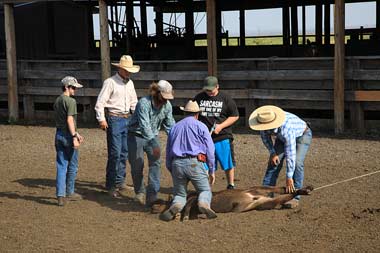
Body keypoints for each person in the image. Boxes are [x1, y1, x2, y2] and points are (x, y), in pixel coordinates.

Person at [160, 100, 217, 221]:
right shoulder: (201, 126)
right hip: (195, 162)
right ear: (197, 114)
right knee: (204, 190)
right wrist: (212, 170)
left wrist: (171, 167)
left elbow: (168, 149)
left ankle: (176, 205)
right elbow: (210, 150)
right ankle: (203, 204)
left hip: (177, 163)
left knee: (180, 194)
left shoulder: (175, 127)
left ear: (184, 113)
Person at [248, 105, 312, 209]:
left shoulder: (287, 128)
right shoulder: (264, 123)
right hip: (281, 138)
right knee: (273, 162)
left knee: (297, 163)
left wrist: (289, 177)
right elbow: (266, 139)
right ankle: (266, 194)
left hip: (302, 135)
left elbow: (290, 153)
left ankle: (295, 197)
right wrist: (273, 153)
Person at [94, 55, 139, 197]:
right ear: (119, 68)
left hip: (127, 118)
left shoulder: (129, 83)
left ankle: (120, 181)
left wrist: (136, 117)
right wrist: (101, 119)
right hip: (114, 118)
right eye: (126, 70)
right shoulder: (110, 82)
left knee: (124, 152)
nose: (128, 72)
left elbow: (134, 102)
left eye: (129, 70)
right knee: (115, 153)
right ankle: (112, 184)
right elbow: (100, 102)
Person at [127, 80, 175, 206]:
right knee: (137, 165)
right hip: (136, 135)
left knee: (156, 164)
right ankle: (140, 192)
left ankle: (152, 195)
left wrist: (176, 138)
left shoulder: (167, 106)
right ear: (156, 93)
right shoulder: (144, 103)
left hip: (153, 136)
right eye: (163, 97)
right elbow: (144, 125)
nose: (165, 100)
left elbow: (170, 125)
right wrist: (154, 143)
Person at [194, 76, 239, 189]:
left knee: (227, 162)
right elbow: (193, 113)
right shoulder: (199, 98)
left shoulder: (226, 98)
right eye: (207, 90)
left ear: (217, 86)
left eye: (211, 90)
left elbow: (235, 116)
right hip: (204, 137)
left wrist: (221, 126)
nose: (209, 92)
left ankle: (230, 185)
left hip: (222, 136)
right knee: (204, 163)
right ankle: (205, 186)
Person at [54, 76, 84, 206]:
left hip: (59, 134)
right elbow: (70, 120)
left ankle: (60, 195)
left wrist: (76, 133)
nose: (75, 90)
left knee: (61, 166)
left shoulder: (57, 100)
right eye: (73, 87)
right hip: (68, 136)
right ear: (66, 87)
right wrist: (74, 137)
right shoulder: (71, 102)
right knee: (73, 165)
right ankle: (70, 191)